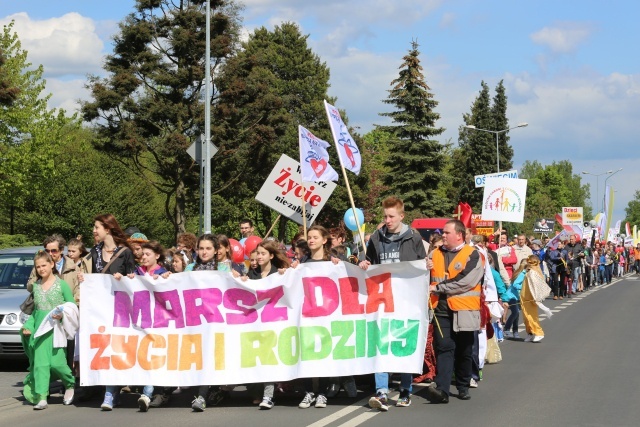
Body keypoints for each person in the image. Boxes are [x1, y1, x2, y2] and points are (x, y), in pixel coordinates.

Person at [360, 196, 426, 410]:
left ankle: (406, 389)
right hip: (383, 299)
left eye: (391, 216)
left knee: (402, 343)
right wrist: (363, 262)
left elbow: (422, 266)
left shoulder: (413, 237)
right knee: (381, 342)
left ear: (401, 216)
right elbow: (369, 262)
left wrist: (428, 266)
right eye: (385, 216)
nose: (387, 220)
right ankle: (381, 392)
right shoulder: (377, 237)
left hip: (407, 300)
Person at [426, 220, 483, 404]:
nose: (443, 235)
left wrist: (439, 288)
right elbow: (423, 276)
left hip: (464, 310)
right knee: (444, 348)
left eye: (446, 232)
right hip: (440, 310)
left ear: (459, 235)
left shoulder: (473, 254)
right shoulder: (434, 254)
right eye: (442, 232)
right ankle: (442, 390)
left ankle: (463, 385)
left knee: (464, 350)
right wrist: (423, 268)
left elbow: (466, 281)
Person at [85, 214, 137, 410]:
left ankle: (114, 390)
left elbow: (134, 280)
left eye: (96, 227)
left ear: (107, 229)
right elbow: (93, 278)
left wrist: (125, 277)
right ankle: (109, 392)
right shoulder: (95, 251)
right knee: (105, 347)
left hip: (121, 309)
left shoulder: (125, 252)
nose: (94, 230)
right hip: (101, 308)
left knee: (118, 348)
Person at [296, 225, 348, 408]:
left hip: (327, 315)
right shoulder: (303, 263)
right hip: (308, 315)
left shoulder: (333, 261)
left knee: (324, 351)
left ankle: (322, 393)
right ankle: (308, 391)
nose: (311, 240)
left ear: (324, 240)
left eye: (315, 237)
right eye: (309, 237)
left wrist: (340, 266)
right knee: (308, 352)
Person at [20, 250, 78, 410]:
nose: (41, 269)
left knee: (57, 364)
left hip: (56, 332)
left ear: (52, 264)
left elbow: (72, 306)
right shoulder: (36, 287)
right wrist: (28, 327)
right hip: (39, 333)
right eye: (38, 267)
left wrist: (63, 315)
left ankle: (70, 384)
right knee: (40, 365)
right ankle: (42, 396)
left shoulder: (62, 284)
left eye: (44, 265)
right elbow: (34, 312)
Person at [191, 234, 220, 411]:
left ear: (216, 250)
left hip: (216, 322)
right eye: (201, 248)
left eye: (208, 248)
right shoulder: (189, 269)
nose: (204, 252)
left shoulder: (224, 269)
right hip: (196, 321)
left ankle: (203, 395)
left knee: (211, 357)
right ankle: (206, 392)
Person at [519, 255, 547, 342]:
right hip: (524, 297)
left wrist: (536, 297)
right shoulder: (530, 272)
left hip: (530, 298)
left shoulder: (533, 273)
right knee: (526, 317)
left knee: (531, 316)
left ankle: (539, 333)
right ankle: (530, 333)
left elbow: (536, 287)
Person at [504, 259, 526, 339]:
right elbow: (515, 284)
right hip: (511, 296)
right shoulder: (522, 274)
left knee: (517, 314)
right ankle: (506, 329)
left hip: (517, 296)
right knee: (515, 312)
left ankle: (515, 331)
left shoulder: (523, 273)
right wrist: (524, 287)